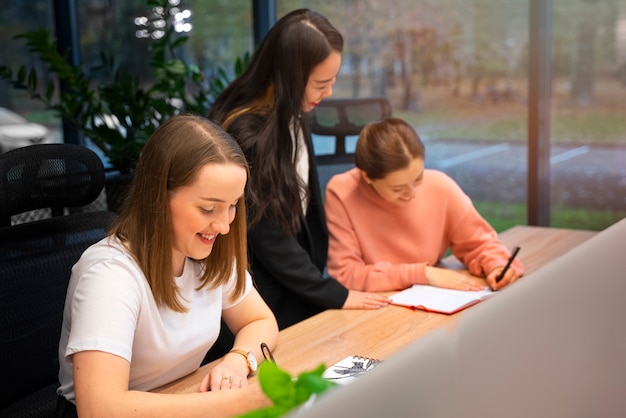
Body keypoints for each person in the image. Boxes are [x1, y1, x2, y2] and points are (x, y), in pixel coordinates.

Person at [56, 115, 278, 418]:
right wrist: (236, 404)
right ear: (158, 198)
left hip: (179, 400)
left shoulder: (210, 252)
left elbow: (259, 320)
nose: (224, 225)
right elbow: (100, 408)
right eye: (208, 208)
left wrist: (239, 359)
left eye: (232, 206)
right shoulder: (109, 275)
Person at [208, 9, 390, 333]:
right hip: (261, 296)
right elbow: (266, 235)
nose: (329, 93)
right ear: (288, 76)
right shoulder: (247, 132)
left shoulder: (293, 111)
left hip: (295, 280)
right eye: (321, 83)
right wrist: (330, 293)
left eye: (333, 80)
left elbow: (305, 205)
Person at [325, 117, 524, 293]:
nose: (412, 193)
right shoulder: (343, 192)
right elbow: (345, 275)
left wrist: (497, 265)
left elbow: (480, 244)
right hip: (374, 306)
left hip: (430, 302)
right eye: (398, 188)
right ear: (368, 177)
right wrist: (421, 273)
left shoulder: (439, 185)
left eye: (418, 178)